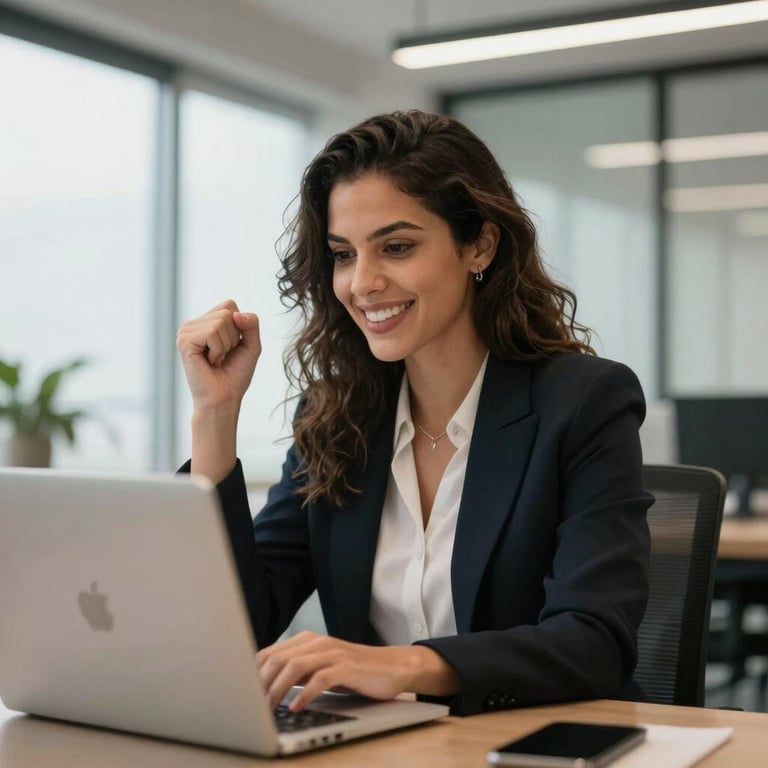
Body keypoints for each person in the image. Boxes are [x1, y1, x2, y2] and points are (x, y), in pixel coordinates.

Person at [176, 109, 652, 717]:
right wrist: (214, 417)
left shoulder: (584, 403)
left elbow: (594, 640)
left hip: (537, 744)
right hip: (381, 749)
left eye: (396, 247)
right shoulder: (335, 417)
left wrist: (403, 664)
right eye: (343, 254)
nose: (362, 282)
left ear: (479, 243)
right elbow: (241, 623)